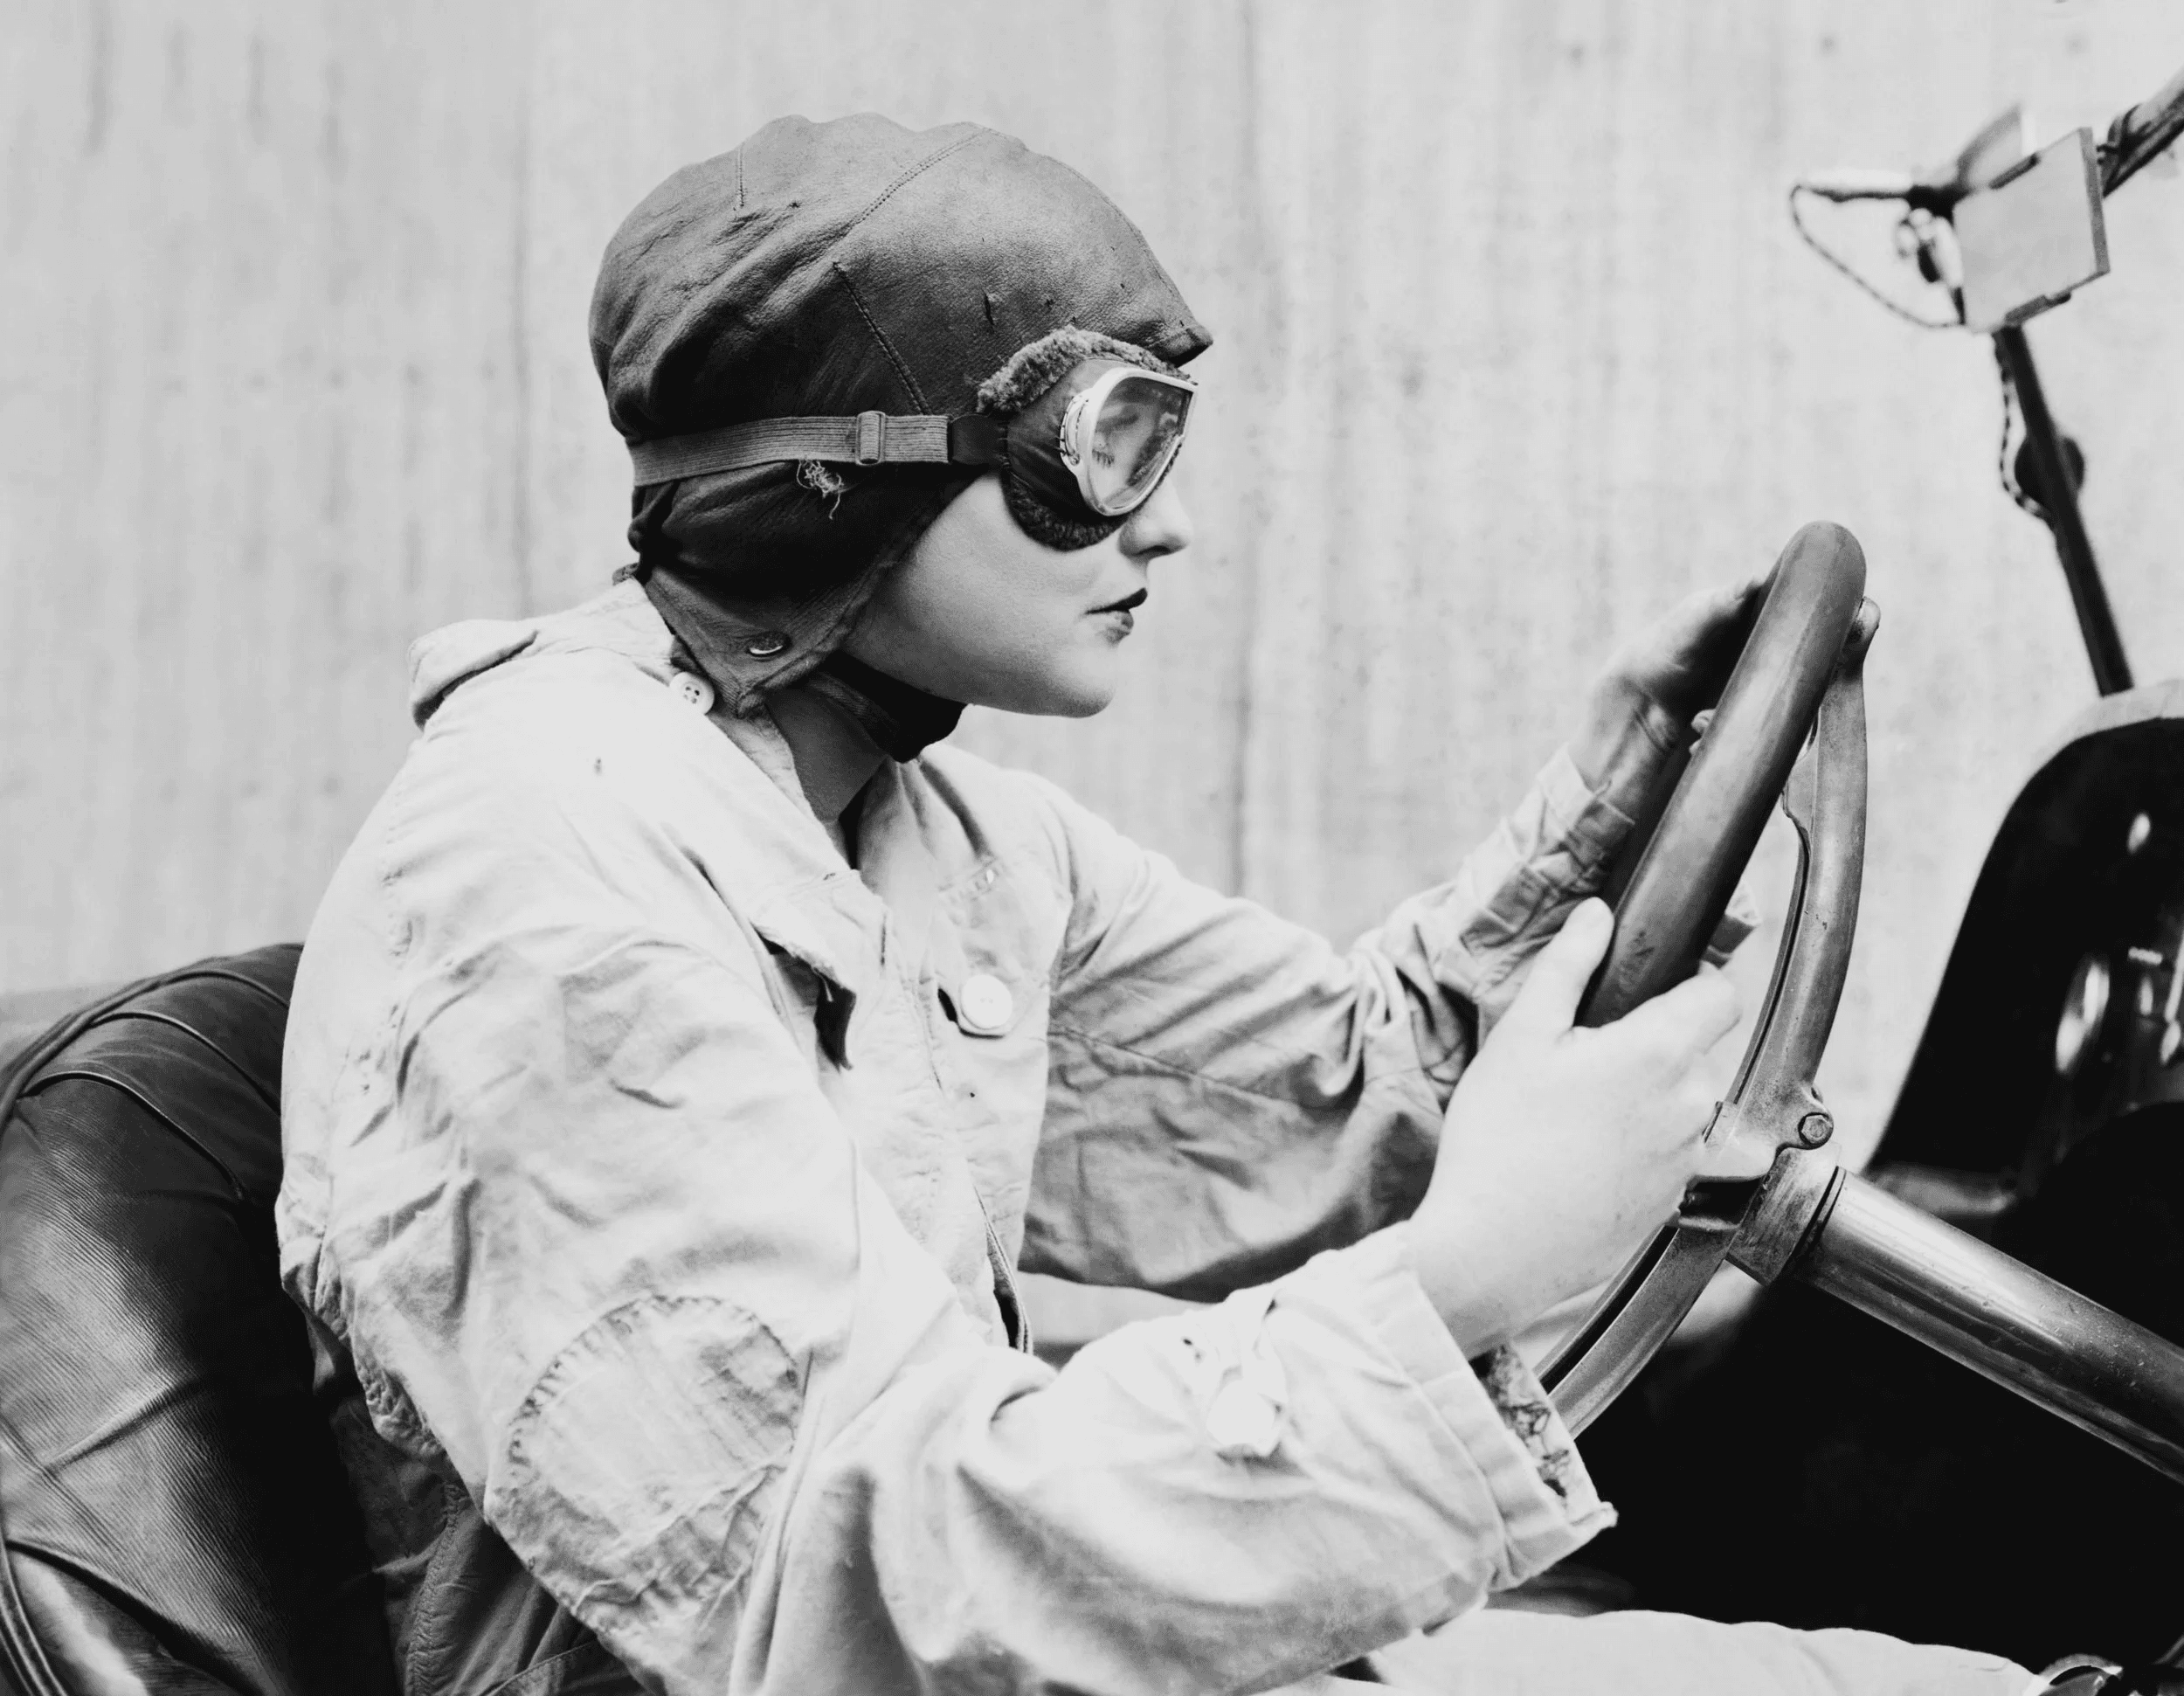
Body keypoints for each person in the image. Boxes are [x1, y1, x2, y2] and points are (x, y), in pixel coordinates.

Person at [276, 114, 2029, 1696]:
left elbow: (1334, 1098)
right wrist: (1466, 1274)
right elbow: (830, 1603)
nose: (1165, 527)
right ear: (844, 479)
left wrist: (1615, 796)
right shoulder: (546, 889)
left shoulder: (930, 838)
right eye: (1108, 444)